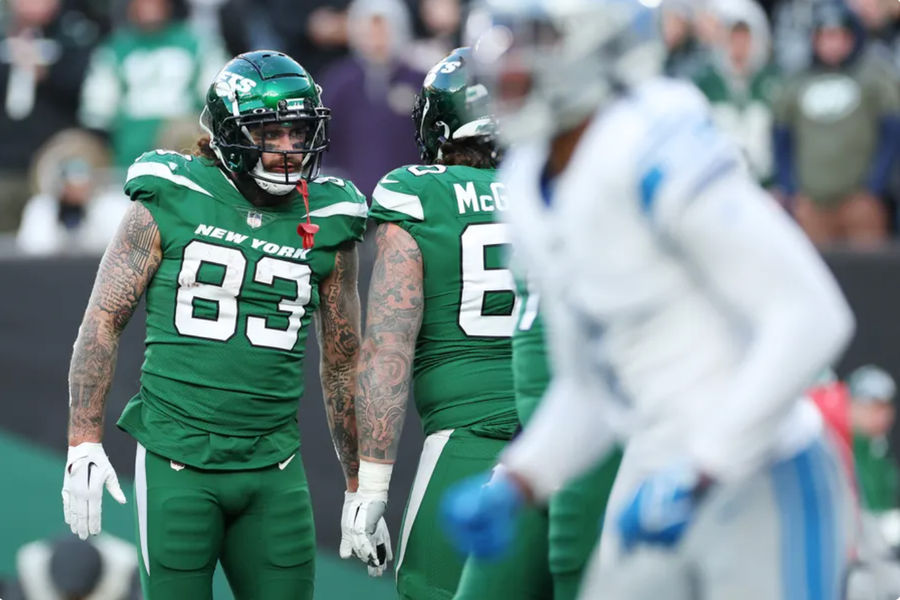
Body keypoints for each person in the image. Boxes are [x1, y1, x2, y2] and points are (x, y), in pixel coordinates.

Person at [445, 1, 856, 598]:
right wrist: (523, 477)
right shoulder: (528, 181)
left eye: (532, 40)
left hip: (763, 469)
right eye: (502, 42)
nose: (505, 65)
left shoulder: (650, 140)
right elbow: (590, 387)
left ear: (589, 45)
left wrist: (704, 467)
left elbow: (813, 316)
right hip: (656, 466)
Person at [61, 50, 385, 599]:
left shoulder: (329, 217)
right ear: (228, 134)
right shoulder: (171, 192)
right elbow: (102, 320)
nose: (288, 148)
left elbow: (342, 359)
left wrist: (362, 483)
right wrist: (82, 442)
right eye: (271, 132)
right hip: (177, 460)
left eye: (298, 132)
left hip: (274, 467)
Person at [345, 48, 540, 598]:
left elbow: (388, 347)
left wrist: (372, 484)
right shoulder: (560, 190)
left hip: (468, 443)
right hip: (567, 439)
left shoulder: (420, 193)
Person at [773, 2, 900, 247]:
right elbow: (781, 138)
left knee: (869, 277)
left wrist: (874, 187)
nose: (832, 44)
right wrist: (791, 189)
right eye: (825, 36)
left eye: (839, 35)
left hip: (859, 204)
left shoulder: (873, 76)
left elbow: (892, 134)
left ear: (853, 37)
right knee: (817, 278)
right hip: (812, 205)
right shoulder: (797, 82)